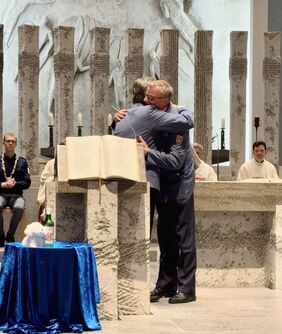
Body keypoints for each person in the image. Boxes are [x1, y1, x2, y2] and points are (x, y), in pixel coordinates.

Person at [137, 80, 196, 304]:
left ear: (163, 100)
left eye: (150, 98)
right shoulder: (156, 114)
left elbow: (175, 160)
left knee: (184, 239)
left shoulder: (180, 121)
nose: (145, 101)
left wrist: (147, 153)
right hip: (163, 186)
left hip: (180, 186)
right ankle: (166, 285)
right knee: (166, 238)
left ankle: (187, 288)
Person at [114, 78, 193, 237]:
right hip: (150, 180)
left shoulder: (122, 118)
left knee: (128, 235)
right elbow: (187, 121)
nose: (146, 99)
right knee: (149, 234)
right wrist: (182, 109)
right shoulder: (150, 113)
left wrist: (114, 120)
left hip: (121, 177)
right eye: (148, 95)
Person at [0, 133, 31, 246]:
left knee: (19, 207)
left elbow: (27, 182)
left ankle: (10, 234)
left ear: (16, 144)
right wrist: (3, 185)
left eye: (13, 141)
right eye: (8, 141)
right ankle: (0, 235)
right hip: (1, 194)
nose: (10, 143)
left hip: (16, 195)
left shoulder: (22, 161)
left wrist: (15, 184)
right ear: (3, 143)